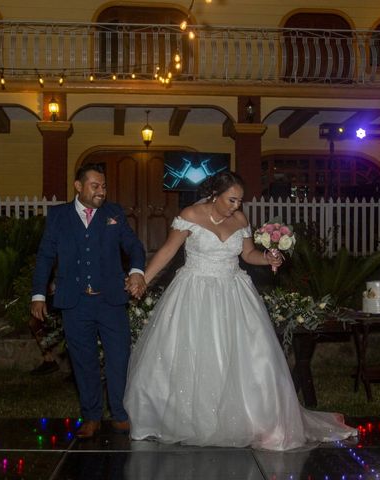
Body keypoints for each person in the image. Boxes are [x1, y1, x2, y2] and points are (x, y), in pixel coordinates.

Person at [124, 171, 356, 451]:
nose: (236, 206)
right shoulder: (190, 215)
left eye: (239, 201)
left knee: (249, 357)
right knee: (193, 355)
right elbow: (167, 252)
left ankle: (251, 420)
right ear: (215, 195)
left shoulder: (241, 220)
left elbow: (247, 255)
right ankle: (188, 419)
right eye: (232, 200)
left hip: (234, 293)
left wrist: (269, 257)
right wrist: (143, 279)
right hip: (194, 293)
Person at [31, 163, 146, 438]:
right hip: (75, 303)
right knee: (84, 361)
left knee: (119, 358)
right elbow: (46, 255)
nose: (101, 191)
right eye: (95, 186)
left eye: (104, 186)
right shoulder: (58, 215)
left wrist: (137, 271)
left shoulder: (113, 213)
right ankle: (92, 416)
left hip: (111, 302)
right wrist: (38, 295)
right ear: (78, 186)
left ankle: (119, 414)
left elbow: (134, 247)